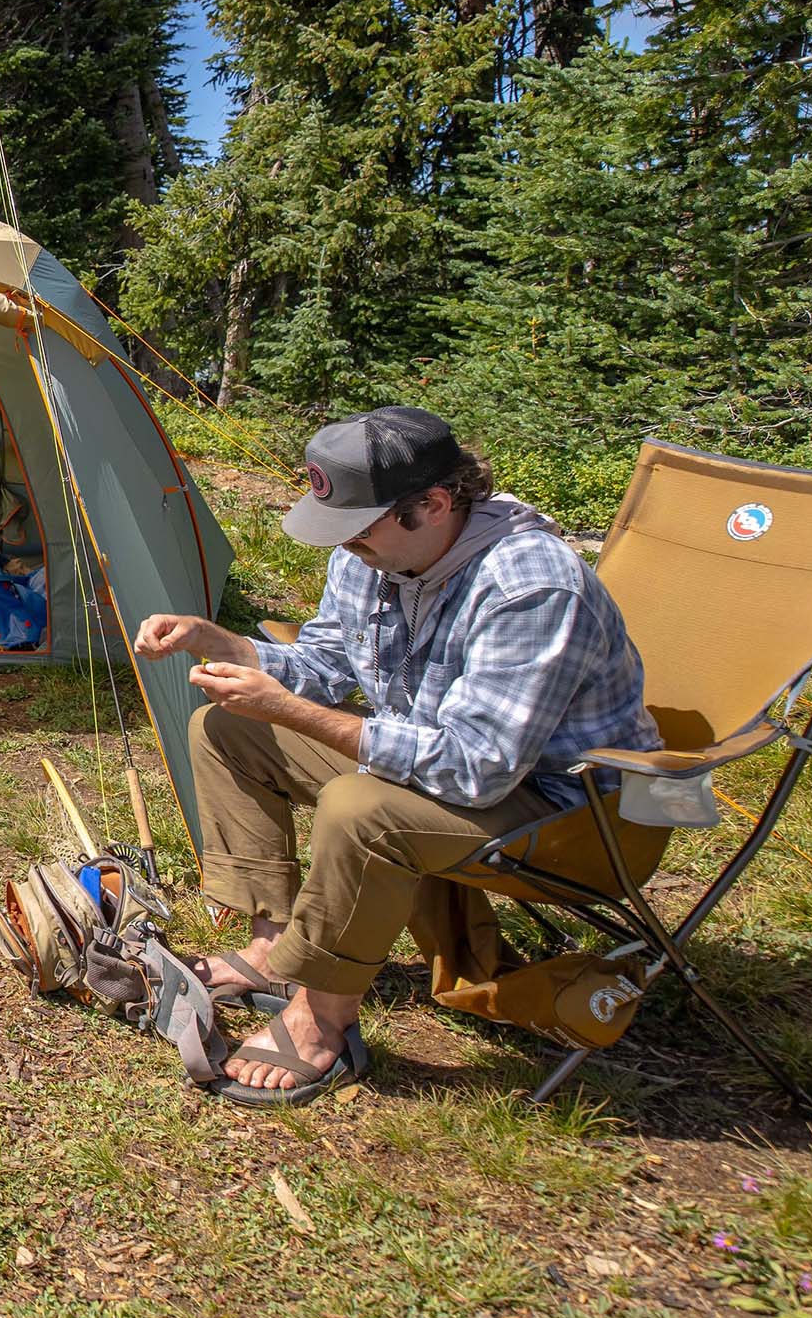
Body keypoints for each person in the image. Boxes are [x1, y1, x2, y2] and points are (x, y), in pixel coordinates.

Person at [133, 406, 658, 1107]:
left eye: (355, 528)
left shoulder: (530, 585)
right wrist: (226, 645)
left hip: (567, 813)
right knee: (229, 730)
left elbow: (478, 767)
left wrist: (292, 710)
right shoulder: (374, 555)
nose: (343, 545)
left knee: (360, 809)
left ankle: (320, 1022)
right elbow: (324, 661)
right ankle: (273, 949)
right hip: (442, 768)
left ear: (434, 505)